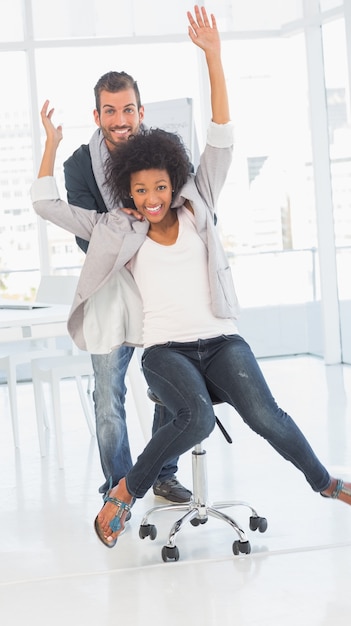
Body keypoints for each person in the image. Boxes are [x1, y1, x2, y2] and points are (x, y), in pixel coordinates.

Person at [31, 5, 351, 550]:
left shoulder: (198, 199)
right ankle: (124, 491)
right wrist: (50, 145)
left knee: (265, 414)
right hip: (162, 347)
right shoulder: (117, 225)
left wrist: (215, 59)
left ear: (172, 178)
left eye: (159, 188)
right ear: (127, 192)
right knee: (193, 416)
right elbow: (46, 204)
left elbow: (221, 136)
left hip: (219, 339)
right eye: (140, 191)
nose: (151, 199)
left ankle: (326, 483)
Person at [63, 67, 191, 503]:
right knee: (107, 398)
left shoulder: (166, 152)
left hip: (162, 290)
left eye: (128, 109)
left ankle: (162, 474)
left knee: (168, 390)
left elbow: (186, 209)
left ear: (141, 110)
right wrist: (132, 225)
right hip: (110, 293)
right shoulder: (79, 165)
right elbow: (86, 235)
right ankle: (118, 488)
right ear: (97, 115)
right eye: (110, 110)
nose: (120, 119)